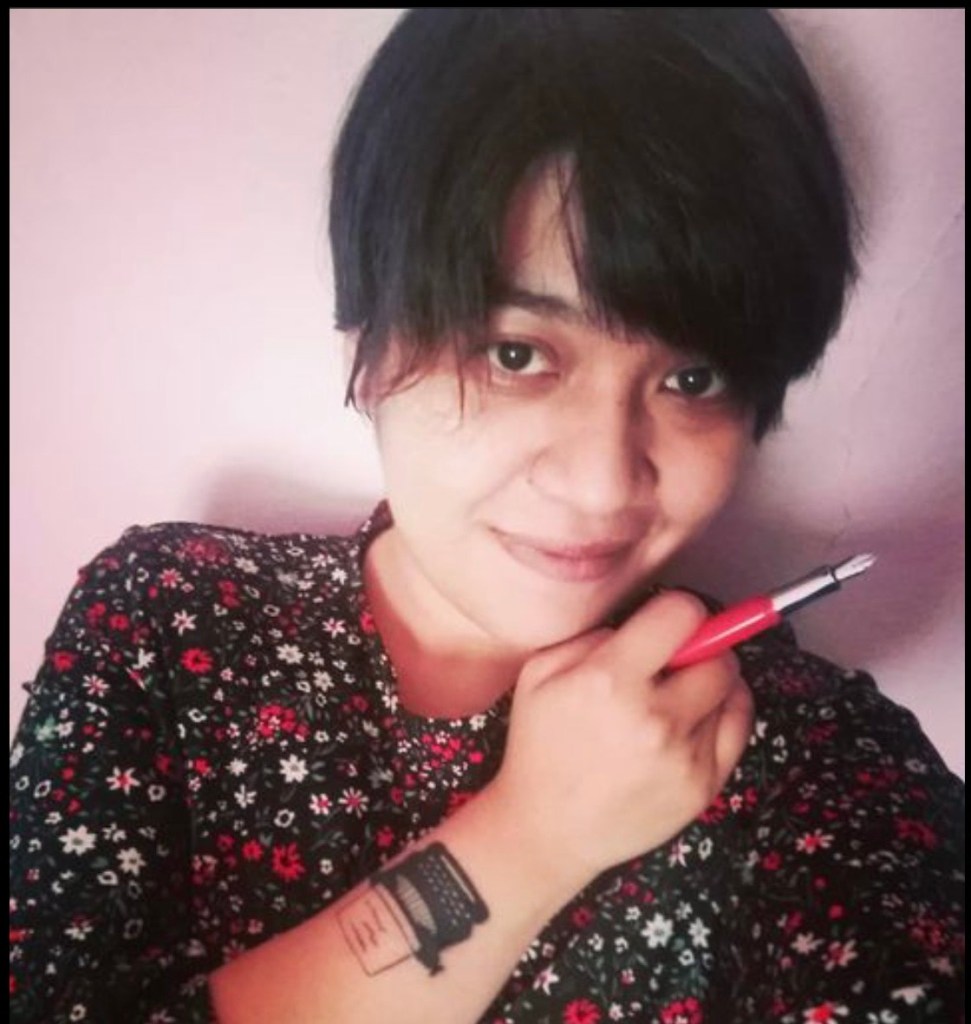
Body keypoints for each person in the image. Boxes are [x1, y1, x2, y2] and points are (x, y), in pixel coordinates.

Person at [9, 8, 964, 1023]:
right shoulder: (173, 618)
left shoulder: (797, 745)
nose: (603, 484)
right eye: (516, 354)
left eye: (692, 377)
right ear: (366, 350)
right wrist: (527, 841)